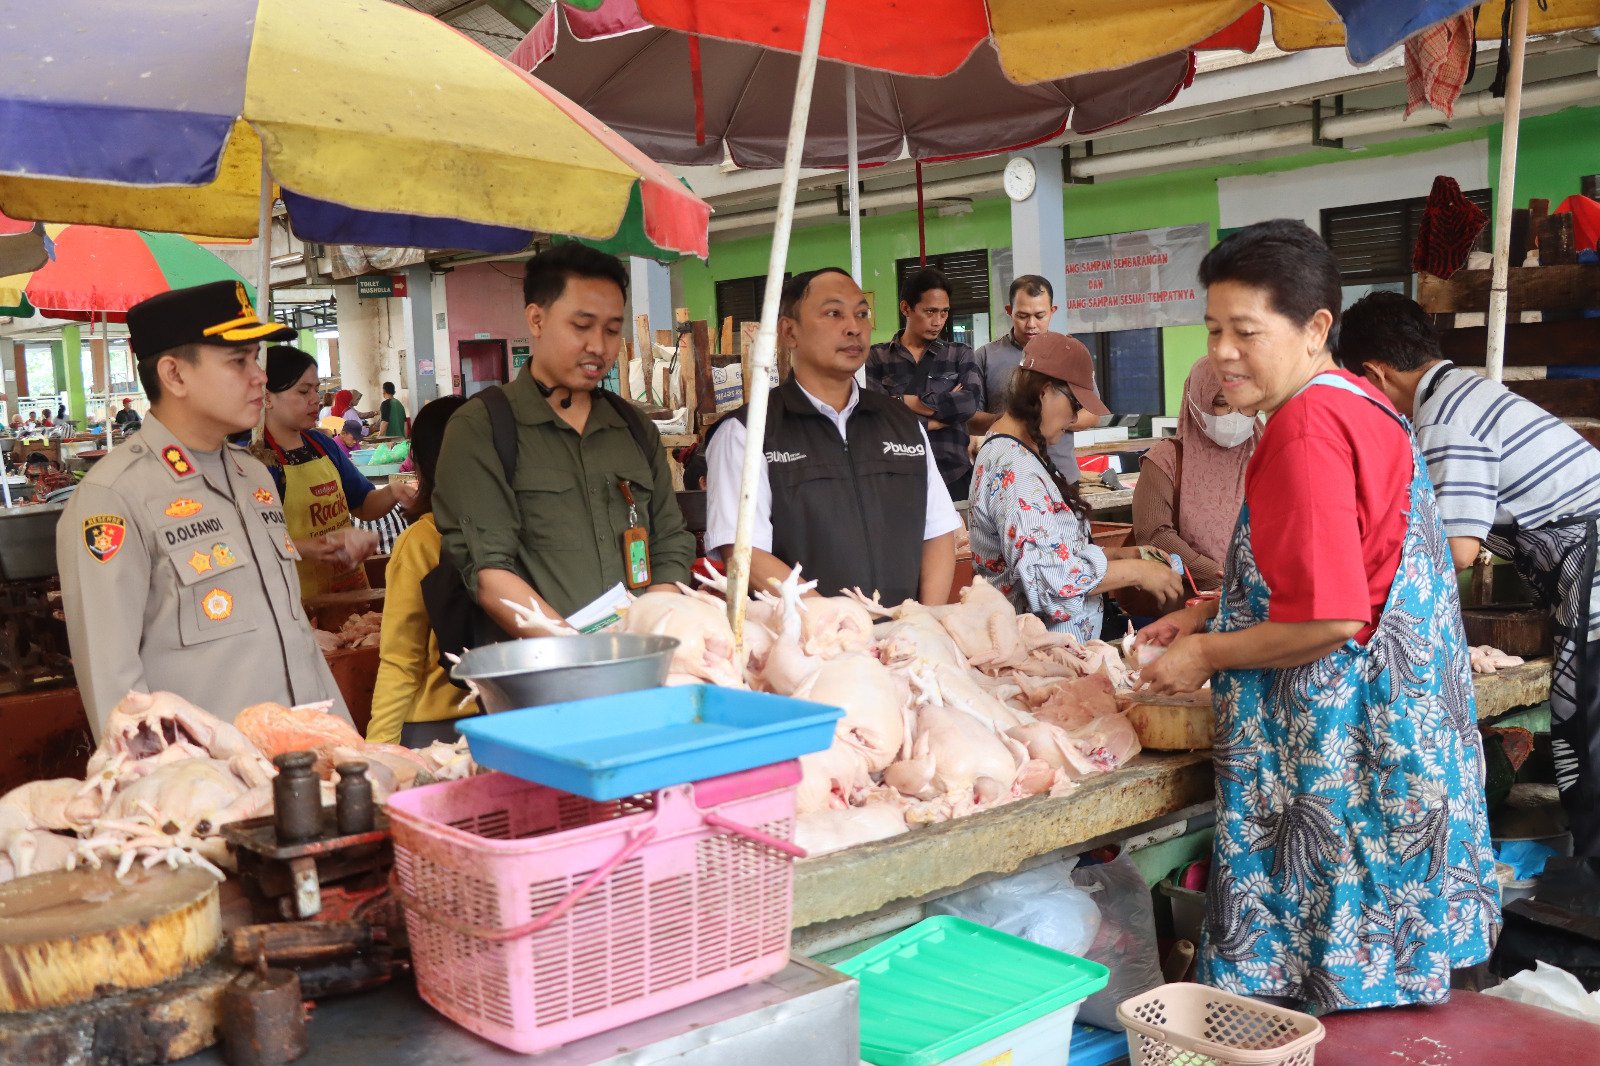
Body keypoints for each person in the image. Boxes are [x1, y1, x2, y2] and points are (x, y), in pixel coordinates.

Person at [1136, 220, 1497, 1012]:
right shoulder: (1360, 403)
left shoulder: (1305, 429)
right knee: (1392, 990)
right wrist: (1204, 615)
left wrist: (1205, 656)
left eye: (1245, 332)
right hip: (1402, 746)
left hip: (1340, 757)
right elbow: (1343, 564)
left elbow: (1331, 618)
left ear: (1316, 328)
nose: (1222, 353)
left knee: (1331, 1000)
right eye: (1212, 331)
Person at [1338, 290, 1600, 857]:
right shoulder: (1465, 391)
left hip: (1596, 580)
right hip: (1584, 574)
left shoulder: (1447, 417)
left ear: (1373, 374)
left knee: (1590, 742)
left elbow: (1453, 550)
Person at [56, 281, 349, 736]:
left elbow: (295, 640)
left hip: (303, 765)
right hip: (209, 786)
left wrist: (341, 737)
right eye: (239, 361)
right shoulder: (115, 497)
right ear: (174, 376)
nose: (260, 376)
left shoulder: (253, 476)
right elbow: (114, 686)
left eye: (256, 358)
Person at [434, 244, 693, 635]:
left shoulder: (634, 428)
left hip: (639, 664)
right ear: (536, 319)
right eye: (581, 326)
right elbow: (490, 573)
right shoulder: (480, 428)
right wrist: (580, 655)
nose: (599, 347)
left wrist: (646, 636)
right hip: (540, 676)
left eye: (611, 330)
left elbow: (671, 543)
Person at [705, 267, 960, 604]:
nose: (854, 327)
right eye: (833, 313)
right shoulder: (748, 433)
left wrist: (924, 622)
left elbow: (939, 531)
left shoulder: (902, 423)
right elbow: (744, 552)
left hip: (903, 643)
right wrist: (834, 623)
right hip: (809, 644)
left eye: (861, 313)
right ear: (789, 331)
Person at [970, 332, 1182, 639]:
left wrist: (1124, 557)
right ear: (1045, 392)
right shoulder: (1014, 470)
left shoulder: (1022, 454)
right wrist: (1139, 573)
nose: (1073, 418)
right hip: (1041, 656)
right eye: (1074, 403)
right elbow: (1051, 581)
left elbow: (1056, 553)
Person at [258, 346, 417, 598]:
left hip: (348, 589)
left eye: (316, 389)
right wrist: (310, 547)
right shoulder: (258, 461)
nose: (315, 399)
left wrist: (394, 492)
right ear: (266, 397)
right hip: (297, 601)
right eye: (303, 391)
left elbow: (363, 504)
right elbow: (251, 544)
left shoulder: (323, 446)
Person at [369, 395, 473, 747]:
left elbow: (401, 660)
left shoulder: (421, 540)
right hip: (502, 714)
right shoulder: (516, 530)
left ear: (423, 464)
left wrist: (378, 748)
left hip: (435, 732)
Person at [1132, 360, 1258, 592]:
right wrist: (1216, 575)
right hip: (1189, 597)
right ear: (1196, 400)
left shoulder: (1267, 450)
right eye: (1222, 404)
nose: (1236, 416)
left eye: (1246, 404)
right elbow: (1153, 534)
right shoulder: (1166, 459)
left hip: (1263, 595)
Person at [865, 267, 983, 501]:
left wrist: (904, 403)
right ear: (906, 308)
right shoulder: (876, 357)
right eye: (929, 311)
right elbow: (877, 418)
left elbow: (968, 404)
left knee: (961, 539)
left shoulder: (960, 354)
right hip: (898, 477)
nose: (938, 321)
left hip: (954, 475)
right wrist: (939, 420)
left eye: (944, 312)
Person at [969, 275, 1099, 482]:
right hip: (1008, 476)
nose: (1031, 324)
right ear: (1009, 311)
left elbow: (1092, 413)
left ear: (1052, 311)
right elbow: (969, 419)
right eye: (1022, 316)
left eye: (1040, 315)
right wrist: (1014, 420)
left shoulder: (1069, 354)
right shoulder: (985, 357)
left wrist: (1049, 420)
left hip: (1062, 475)